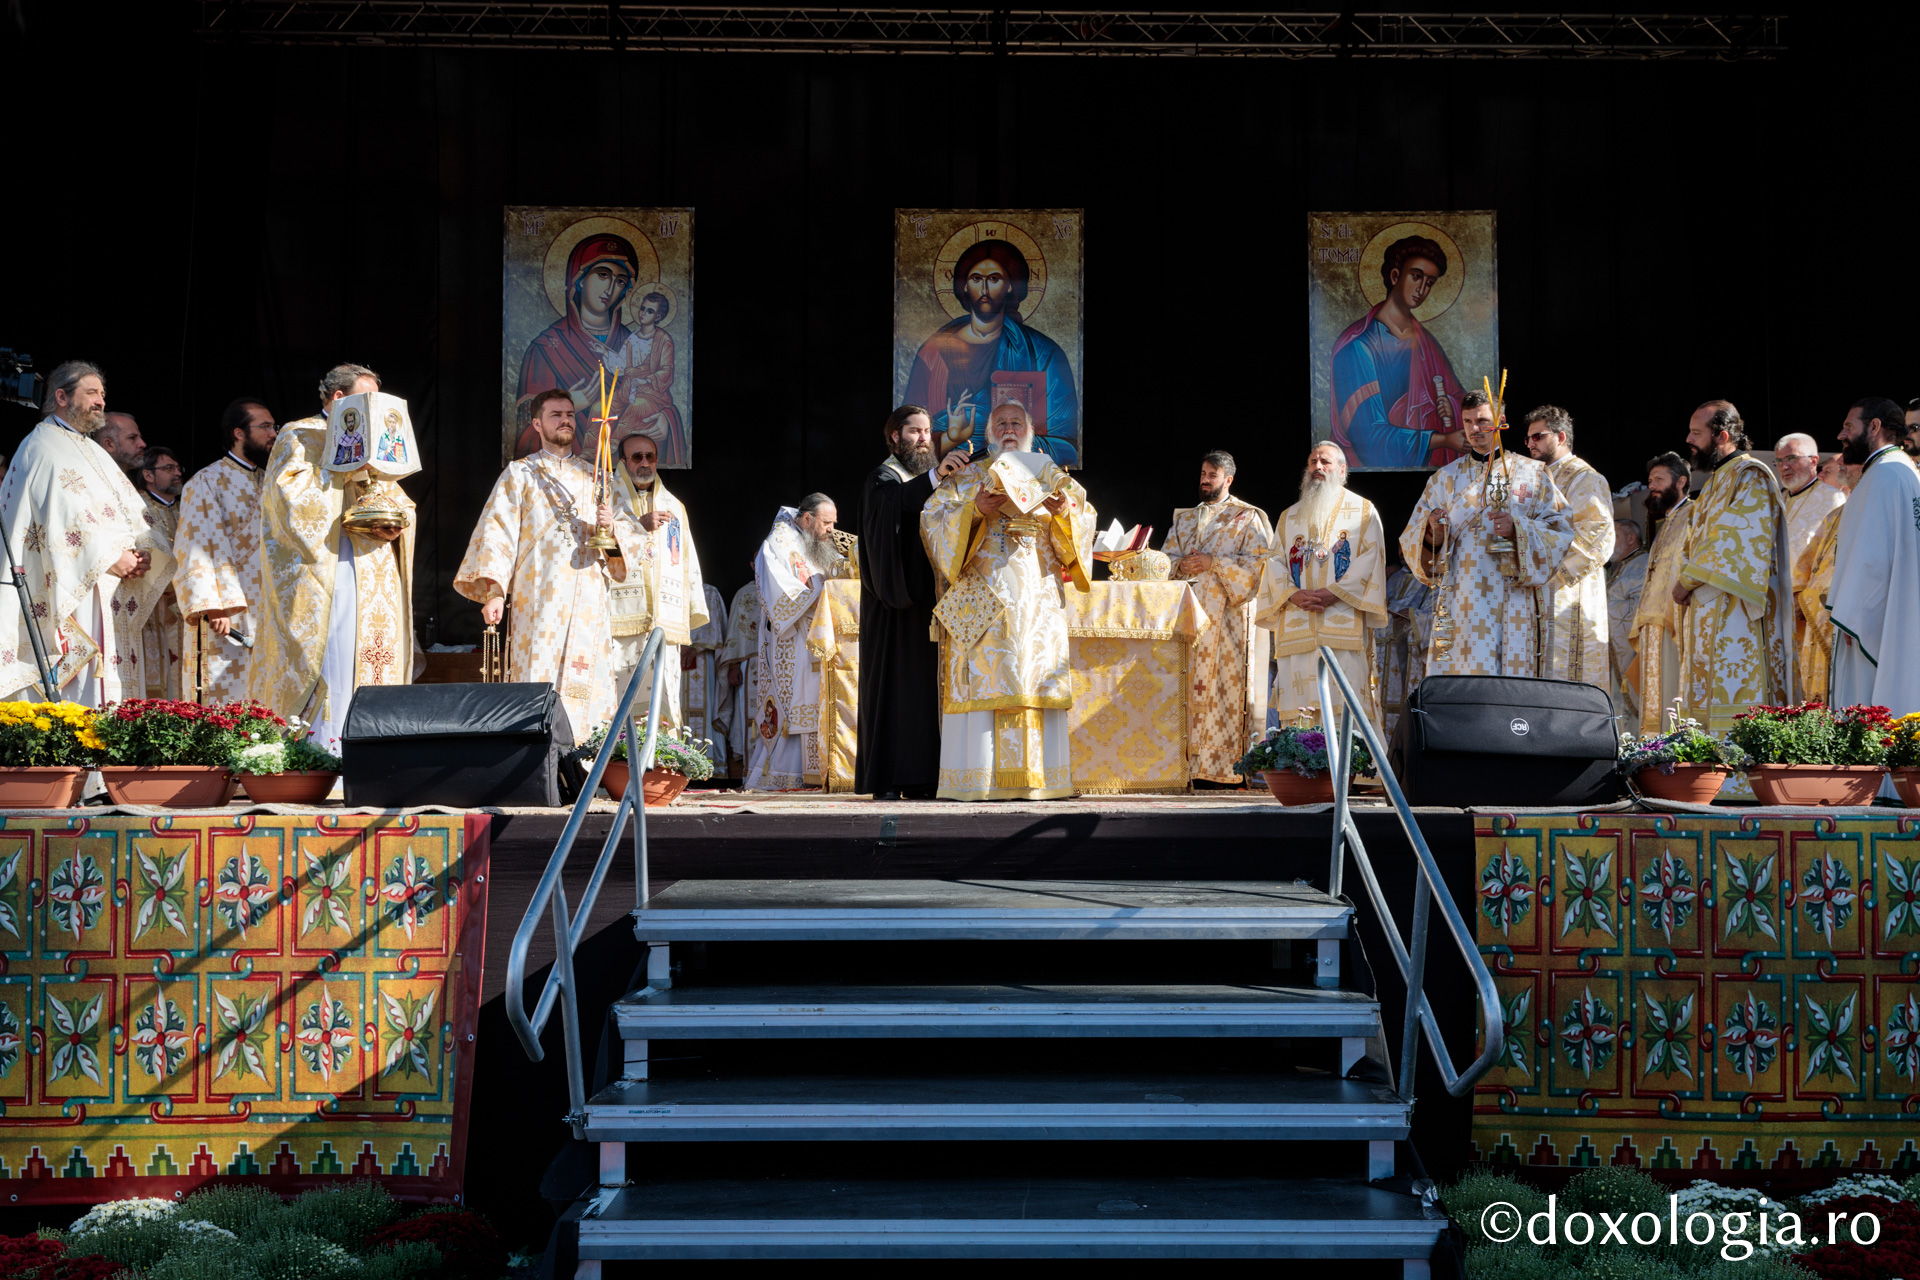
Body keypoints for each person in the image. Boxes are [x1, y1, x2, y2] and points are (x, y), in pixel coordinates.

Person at [920, 400, 1095, 800]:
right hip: (984, 601)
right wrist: (974, 510)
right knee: (985, 679)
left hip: (1037, 604)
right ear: (989, 432)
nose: (1010, 429)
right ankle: (977, 780)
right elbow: (932, 520)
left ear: (1031, 431)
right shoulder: (968, 476)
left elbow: (1084, 519)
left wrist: (1062, 513)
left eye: (1017, 422)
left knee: (1034, 678)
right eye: (1001, 423)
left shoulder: (1053, 475)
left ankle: (1042, 780)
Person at [455, 387, 638, 738]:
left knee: (586, 677)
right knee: (537, 673)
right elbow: (496, 533)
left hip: (587, 599)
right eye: (556, 415)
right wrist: (494, 592)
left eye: (569, 415)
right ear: (537, 424)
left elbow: (624, 546)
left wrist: (611, 530)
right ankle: (535, 756)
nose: (565, 420)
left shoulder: (598, 477)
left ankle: (585, 756)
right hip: (537, 597)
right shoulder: (519, 474)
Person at [255, 364, 417, 752]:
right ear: (340, 398)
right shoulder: (301, 433)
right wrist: (344, 473)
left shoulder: (376, 443)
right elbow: (287, 497)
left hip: (375, 569)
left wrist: (397, 522)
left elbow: (400, 501)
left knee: (372, 656)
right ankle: (328, 751)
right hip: (330, 565)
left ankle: (374, 752)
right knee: (336, 654)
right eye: (366, 398)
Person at [0, 361, 173, 703]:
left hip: (112, 582)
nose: (100, 401)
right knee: (86, 688)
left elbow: (128, 508)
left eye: (102, 394)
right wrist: (111, 556)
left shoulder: (91, 449)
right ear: (61, 397)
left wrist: (142, 551)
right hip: (75, 581)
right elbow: (59, 518)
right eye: (92, 393)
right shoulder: (42, 445)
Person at [1399, 390, 1573, 677]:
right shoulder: (1443, 479)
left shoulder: (1532, 474)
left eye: (1482, 421)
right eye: (1468, 421)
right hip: (1459, 596)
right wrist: (1433, 532)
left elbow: (1560, 529)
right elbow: (1412, 539)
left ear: (1501, 421)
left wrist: (1518, 529)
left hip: (1511, 597)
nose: (1474, 429)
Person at [1671, 401, 1793, 790]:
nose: (1689, 440)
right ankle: (1704, 778)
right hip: (1708, 609)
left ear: (1722, 436)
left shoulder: (1751, 475)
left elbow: (1735, 540)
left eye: (1697, 433)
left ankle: (1741, 783)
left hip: (1738, 613)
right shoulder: (1715, 480)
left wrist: (1687, 579)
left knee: (1736, 685)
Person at [857, 404, 969, 800]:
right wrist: (937, 477)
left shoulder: (927, 479)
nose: (924, 438)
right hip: (894, 602)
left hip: (928, 599)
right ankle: (888, 779)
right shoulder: (883, 477)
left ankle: (923, 777)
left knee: (924, 691)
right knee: (894, 690)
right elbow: (898, 503)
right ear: (895, 436)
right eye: (914, 431)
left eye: (926, 431)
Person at [906, 239, 1081, 467]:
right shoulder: (933, 353)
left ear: (1010, 286)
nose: (985, 290)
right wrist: (951, 438)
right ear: (964, 286)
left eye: (994, 279)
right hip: (951, 478)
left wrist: (1012, 439)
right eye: (976, 279)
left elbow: (1068, 447)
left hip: (1022, 477)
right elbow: (909, 439)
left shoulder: (1043, 353)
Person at [1256, 442, 1386, 734]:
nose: (1317, 467)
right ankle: (1299, 761)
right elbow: (1274, 560)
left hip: (1342, 622)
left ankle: (1346, 761)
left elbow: (1371, 558)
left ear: (1341, 470)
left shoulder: (1363, 511)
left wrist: (1333, 594)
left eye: (1325, 462)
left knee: (1344, 702)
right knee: (1298, 707)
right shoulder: (1289, 516)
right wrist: (1292, 594)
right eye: (1312, 461)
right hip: (1298, 622)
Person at [1165, 450, 1276, 782]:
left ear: (1228, 479)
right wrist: (1178, 565)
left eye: (1212, 475)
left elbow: (1260, 567)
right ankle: (1182, 767)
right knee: (1183, 689)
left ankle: (1223, 768)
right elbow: (1164, 560)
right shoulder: (1184, 519)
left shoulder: (1247, 517)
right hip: (1185, 621)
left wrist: (1213, 563)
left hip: (1227, 622)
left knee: (1222, 692)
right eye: (1202, 474)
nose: (1205, 480)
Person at [745, 494, 856, 790]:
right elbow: (780, 596)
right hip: (792, 641)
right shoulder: (777, 544)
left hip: (818, 638)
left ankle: (821, 769)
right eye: (827, 522)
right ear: (807, 519)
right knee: (796, 701)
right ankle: (786, 773)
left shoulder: (816, 544)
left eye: (834, 523)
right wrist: (821, 586)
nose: (832, 529)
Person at [1327, 235, 1468, 469]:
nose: (1422, 289)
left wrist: (1451, 405)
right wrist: (1443, 440)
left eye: (1430, 282)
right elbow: (1369, 439)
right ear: (1395, 276)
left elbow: (1461, 399)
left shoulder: (1426, 344)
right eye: (1416, 276)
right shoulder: (1357, 348)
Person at [174, 399, 275, 705]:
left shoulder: (272, 482)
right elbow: (196, 544)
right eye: (265, 426)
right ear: (239, 433)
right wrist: (212, 605)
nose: (273, 434)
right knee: (225, 698)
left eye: (274, 426)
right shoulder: (207, 481)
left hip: (268, 606)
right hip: (229, 610)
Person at [605, 431, 709, 729]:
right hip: (618, 619)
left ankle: (659, 755)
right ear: (623, 462)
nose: (645, 463)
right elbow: (598, 550)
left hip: (663, 621)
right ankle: (617, 755)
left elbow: (687, 561)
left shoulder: (674, 507)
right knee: (619, 698)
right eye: (637, 457)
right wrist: (637, 527)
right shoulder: (606, 501)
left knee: (661, 703)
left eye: (650, 456)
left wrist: (689, 613)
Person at [1827, 396, 1920, 716]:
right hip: (1894, 609)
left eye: (1849, 426)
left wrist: (1853, 614)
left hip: (1872, 619)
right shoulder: (1900, 469)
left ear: (1875, 426)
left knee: (1867, 706)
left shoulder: (1884, 474)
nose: (1841, 434)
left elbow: (1873, 558)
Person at [514, 234, 640, 457]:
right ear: (579, 279)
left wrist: (664, 420)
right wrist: (569, 408)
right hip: (563, 466)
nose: (610, 288)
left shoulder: (635, 344)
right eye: (603, 275)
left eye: (620, 281)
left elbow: (652, 399)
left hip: (618, 464)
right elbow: (526, 427)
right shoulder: (545, 347)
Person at [1523, 405, 1614, 688]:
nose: (1530, 444)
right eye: (1528, 438)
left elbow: (1597, 535)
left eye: (1537, 436)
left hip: (1567, 592)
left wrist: (1540, 563)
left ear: (1561, 436)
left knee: (1566, 679)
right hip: (1533, 593)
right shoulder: (1532, 479)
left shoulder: (1585, 477)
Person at [1773, 432, 1846, 695]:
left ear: (1814, 460)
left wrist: (1802, 598)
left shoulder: (1832, 499)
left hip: (1804, 610)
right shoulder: (1776, 502)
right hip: (1774, 611)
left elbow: (1830, 556)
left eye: (1791, 458)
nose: (1784, 466)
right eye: (1779, 461)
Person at [1629, 452, 1695, 732]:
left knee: (1672, 690)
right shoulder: (1667, 521)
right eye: (1650, 480)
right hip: (1651, 621)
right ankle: (1652, 747)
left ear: (1680, 482)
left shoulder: (1694, 514)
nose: (1652, 486)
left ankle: (1675, 747)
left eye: (1659, 479)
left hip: (1676, 618)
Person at [1795, 463, 1857, 703]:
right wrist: (1799, 593)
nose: (1842, 467)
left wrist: (1809, 598)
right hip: (1813, 611)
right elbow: (1808, 561)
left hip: (1835, 613)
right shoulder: (1834, 515)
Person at [131, 445, 186, 699]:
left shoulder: (188, 507)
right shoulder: (136, 507)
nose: (177, 473)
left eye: (178, 468)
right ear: (148, 474)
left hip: (185, 607)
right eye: (168, 468)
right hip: (152, 606)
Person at [1373, 551, 1432, 743]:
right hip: (1383, 656)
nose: (1401, 551)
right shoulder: (1394, 578)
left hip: (1408, 656)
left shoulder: (1434, 577)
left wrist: (1413, 617)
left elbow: (1439, 618)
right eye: (1399, 548)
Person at [715, 578, 763, 778]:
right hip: (750, 664)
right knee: (750, 717)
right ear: (752, 564)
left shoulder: (790, 588)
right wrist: (734, 665)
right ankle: (750, 774)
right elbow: (736, 632)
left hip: (781, 661)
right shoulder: (745, 593)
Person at [1604, 520, 1648, 724]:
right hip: (1615, 649)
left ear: (1631, 539)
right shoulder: (1623, 566)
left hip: (1633, 650)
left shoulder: (1643, 564)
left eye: (1614, 536)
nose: (1608, 542)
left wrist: (1602, 609)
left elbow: (1643, 606)